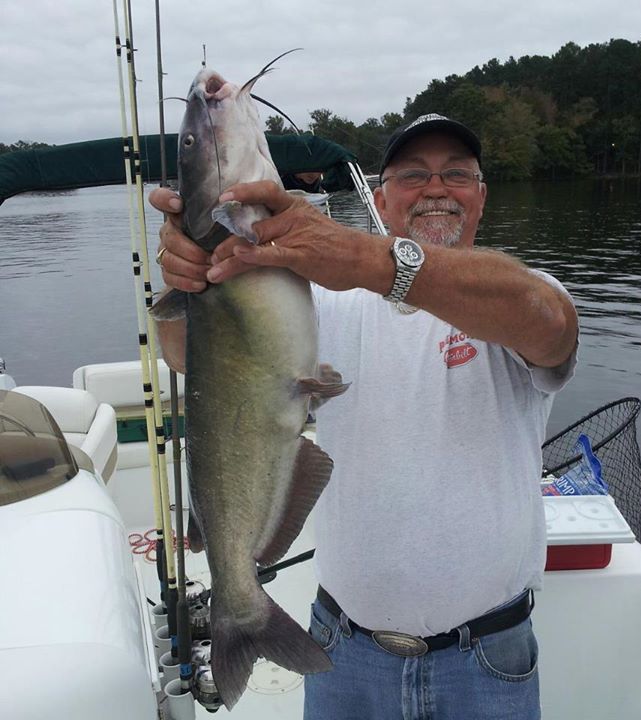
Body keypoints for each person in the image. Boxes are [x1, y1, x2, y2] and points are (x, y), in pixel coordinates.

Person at [149, 112, 578, 720]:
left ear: (482, 196)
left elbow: (548, 321)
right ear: (380, 197)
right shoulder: (321, 300)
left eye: (457, 174)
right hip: (343, 650)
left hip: (485, 658)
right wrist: (185, 284)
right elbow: (193, 359)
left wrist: (370, 257)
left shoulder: (517, 293)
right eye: (413, 175)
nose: (436, 188)